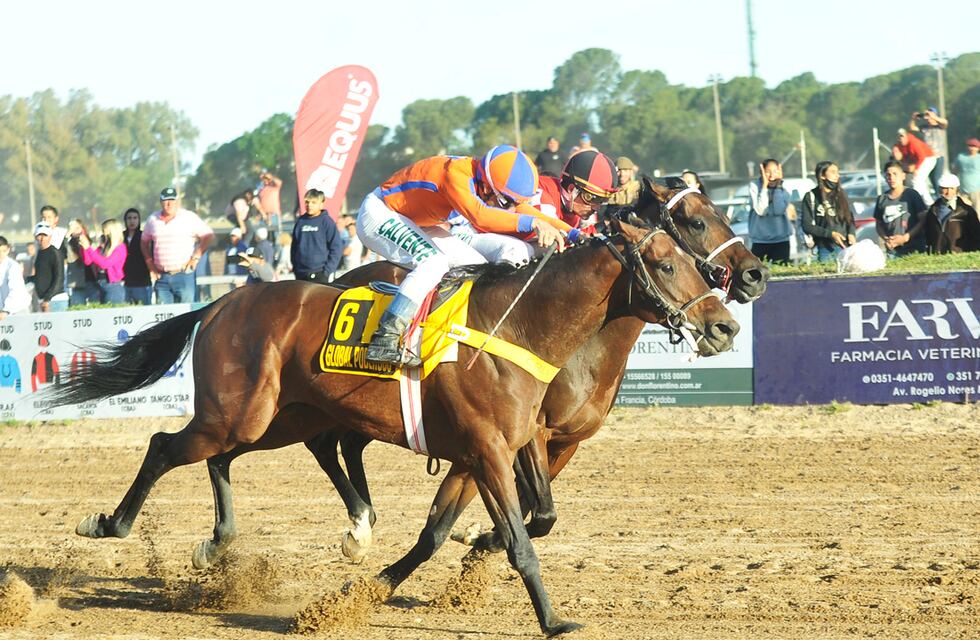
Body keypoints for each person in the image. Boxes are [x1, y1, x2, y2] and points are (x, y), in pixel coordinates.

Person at [356, 145, 569, 366]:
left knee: (476, 267)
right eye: (506, 201)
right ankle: (385, 338)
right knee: (433, 263)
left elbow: (526, 212)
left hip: (416, 221)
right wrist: (534, 224)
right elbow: (481, 217)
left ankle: (433, 330)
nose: (510, 207)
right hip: (381, 212)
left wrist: (572, 232)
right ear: (487, 186)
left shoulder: (482, 179)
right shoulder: (456, 173)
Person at [141, 187, 214, 304]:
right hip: (162, 277)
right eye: (166, 200)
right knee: (164, 317)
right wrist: (150, 264)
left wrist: (196, 257)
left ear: (177, 201)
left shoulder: (188, 217)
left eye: (172, 200)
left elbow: (208, 235)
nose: (169, 204)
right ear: (161, 202)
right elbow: (144, 242)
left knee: (186, 315)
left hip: (183, 274)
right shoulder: (152, 220)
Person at [801, 161, 856, 262]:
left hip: (845, 247)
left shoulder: (842, 195)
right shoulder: (811, 196)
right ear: (822, 175)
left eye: (837, 172)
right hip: (824, 249)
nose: (837, 176)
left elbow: (850, 219)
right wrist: (831, 234)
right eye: (833, 172)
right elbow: (807, 226)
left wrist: (852, 234)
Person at [912, 174, 979, 253]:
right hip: (937, 256)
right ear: (939, 189)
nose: (948, 192)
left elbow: (976, 235)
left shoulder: (967, 212)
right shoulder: (932, 211)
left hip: (959, 256)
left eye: (952, 188)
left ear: (957, 190)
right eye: (945, 188)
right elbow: (928, 235)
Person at [290, 189, 346, 283]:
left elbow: (336, 247)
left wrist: (327, 271)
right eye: (307, 202)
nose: (309, 205)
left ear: (321, 204)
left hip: (320, 274)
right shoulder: (300, 222)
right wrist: (296, 268)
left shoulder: (326, 222)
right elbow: (294, 247)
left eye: (313, 202)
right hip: (301, 274)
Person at [875, 160, 928, 256]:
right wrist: (886, 239)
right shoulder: (882, 198)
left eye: (895, 174)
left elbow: (923, 220)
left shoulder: (912, 195)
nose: (892, 178)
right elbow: (879, 225)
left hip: (914, 250)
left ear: (903, 176)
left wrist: (905, 237)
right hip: (893, 252)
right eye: (888, 175)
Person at [748, 159, 796, 264]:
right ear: (762, 171)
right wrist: (764, 187)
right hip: (760, 240)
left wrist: (778, 187)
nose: (771, 175)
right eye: (768, 171)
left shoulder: (785, 187)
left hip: (781, 240)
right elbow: (760, 210)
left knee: (781, 271)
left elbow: (778, 210)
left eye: (775, 171)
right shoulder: (754, 186)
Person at [79, 218, 127, 304]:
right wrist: (85, 247)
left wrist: (88, 248)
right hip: (100, 284)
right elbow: (88, 261)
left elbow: (105, 264)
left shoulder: (120, 248)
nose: (103, 232)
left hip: (113, 286)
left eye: (105, 229)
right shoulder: (104, 247)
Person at [892, 128, 937, 205]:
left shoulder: (913, 142)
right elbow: (901, 156)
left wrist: (916, 168)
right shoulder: (900, 145)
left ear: (906, 135)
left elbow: (921, 156)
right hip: (919, 160)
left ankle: (918, 201)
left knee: (917, 179)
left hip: (928, 158)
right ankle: (928, 202)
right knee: (920, 181)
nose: (900, 138)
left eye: (902, 136)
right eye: (899, 136)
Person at [908, 107, 948, 193]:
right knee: (931, 179)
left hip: (938, 156)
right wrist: (913, 119)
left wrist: (933, 117)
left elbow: (945, 122)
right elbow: (912, 128)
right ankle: (936, 195)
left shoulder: (939, 126)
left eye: (929, 114)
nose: (927, 117)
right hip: (928, 158)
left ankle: (940, 195)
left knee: (937, 178)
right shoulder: (924, 127)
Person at [30, 223, 67, 312]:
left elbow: (59, 278)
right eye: (39, 236)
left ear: (50, 236)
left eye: (45, 235)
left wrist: (47, 299)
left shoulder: (55, 253)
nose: (42, 239)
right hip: (42, 300)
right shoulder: (38, 254)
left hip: (55, 300)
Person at [122, 208, 152, 305]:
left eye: (135, 218)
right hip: (126, 280)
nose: (132, 221)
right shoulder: (121, 236)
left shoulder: (143, 236)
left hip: (142, 280)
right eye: (129, 218)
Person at [0, 236, 32, 318]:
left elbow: (15, 290)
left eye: (3, 251)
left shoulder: (13, 266)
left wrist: (5, 310)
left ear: (8, 250)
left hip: (18, 310)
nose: (1, 254)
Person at [953, 138, 980, 212]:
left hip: (976, 191)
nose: (972, 148)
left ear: (978, 148)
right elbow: (954, 171)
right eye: (970, 146)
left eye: (974, 146)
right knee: (963, 211)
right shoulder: (961, 157)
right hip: (963, 190)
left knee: (977, 212)